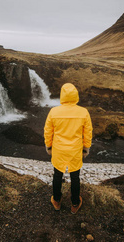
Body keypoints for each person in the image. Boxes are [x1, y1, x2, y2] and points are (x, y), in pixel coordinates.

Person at [44, 83, 93, 214]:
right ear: (75, 95)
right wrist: (86, 148)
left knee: (57, 175)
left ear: (62, 95)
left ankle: (56, 201)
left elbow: (48, 131)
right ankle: (75, 203)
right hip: (75, 150)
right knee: (75, 176)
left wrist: (49, 146)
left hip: (59, 149)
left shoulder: (54, 111)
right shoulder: (83, 112)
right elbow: (88, 133)